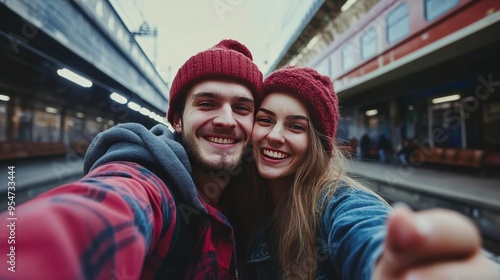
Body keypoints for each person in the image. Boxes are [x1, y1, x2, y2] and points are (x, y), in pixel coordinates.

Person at [0, 39, 262, 279]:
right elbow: (104, 209)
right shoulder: (148, 183)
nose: (227, 120)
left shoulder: (259, 194)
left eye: (242, 108)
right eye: (206, 104)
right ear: (178, 120)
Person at [244, 66, 500, 279]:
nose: (274, 135)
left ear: (318, 144)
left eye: (296, 126)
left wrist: (391, 264)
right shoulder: (239, 197)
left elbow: (366, 229)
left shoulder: (338, 202)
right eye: (265, 120)